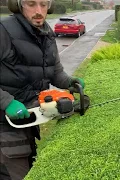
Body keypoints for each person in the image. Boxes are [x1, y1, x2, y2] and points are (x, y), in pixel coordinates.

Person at [0, 0, 85, 179]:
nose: (39, 11)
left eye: (43, 4)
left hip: (28, 122)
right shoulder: (3, 30)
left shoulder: (46, 33)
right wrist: (6, 101)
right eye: (31, 4)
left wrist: (69, 82)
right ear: (18, 5)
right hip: (4, 127)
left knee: (32, 169)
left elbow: (55, 71)